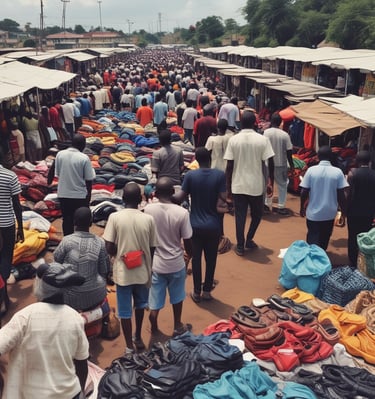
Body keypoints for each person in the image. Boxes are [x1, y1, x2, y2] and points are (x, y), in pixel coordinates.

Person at [0, 262, 89, 399]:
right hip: (69, 394)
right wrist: (81, 392)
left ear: (40, 286)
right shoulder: (75, 318)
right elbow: (82, 363)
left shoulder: (25, 317)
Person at [103, 182, 157, 354]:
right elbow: (152, 247)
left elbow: (109, 247)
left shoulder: (115, 217)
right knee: (140, 305)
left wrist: (121, 253)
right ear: (140, 199)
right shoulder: (148, 219)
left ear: (123, 198)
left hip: (123, 273)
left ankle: (128, 347)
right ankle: (138, 337)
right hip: (142, 271)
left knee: (125, 311)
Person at [173, 147, 226, 303]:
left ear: (196, 159)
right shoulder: (219, 175)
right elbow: (224, 198)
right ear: (210, 159)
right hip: (214, 225)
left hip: (194, 225)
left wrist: (165, 194)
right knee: (211, 259)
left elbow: (180, 197)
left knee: (196, 259)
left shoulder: (190, 175)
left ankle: (196, 292)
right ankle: (207, 291)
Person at [144, 177, 193, 336]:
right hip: (176, 262)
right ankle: (177, 325)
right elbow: (187, 240)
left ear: (156, 193)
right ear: (173, 192)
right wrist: (189, 255)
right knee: (177, 296)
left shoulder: (149, 209)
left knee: (156, 297)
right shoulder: (182, 213)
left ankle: (154, 322)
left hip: (157, 263)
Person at [224, 110, 275, 256]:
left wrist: (228, 188)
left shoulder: (233, 140)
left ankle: (240, 245)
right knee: (257, 215)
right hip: (256, 185)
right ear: (254, 123)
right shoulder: (262, 139)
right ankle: (249, 239)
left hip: (238, 185)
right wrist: (271, 180)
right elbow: (270, 161)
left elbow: (229, 166)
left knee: (240, 216)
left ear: (241, 122)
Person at [53, 207, 110, 311]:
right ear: (90, 223)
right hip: (96, 294)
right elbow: (104, 271)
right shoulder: (100, 243)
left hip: (70, 296)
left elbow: (56, 261)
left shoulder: (66, 241)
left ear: (74, 222)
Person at [300, 145, 348, 251]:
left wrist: (302, 207)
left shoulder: (311, 171)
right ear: (331, 156)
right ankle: (321, 257)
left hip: (313, 213)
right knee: (325, 238)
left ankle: (313, 261)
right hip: (330, 213)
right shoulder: (337, 172)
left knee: (312, 237)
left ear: (318, 157)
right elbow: (341, 195)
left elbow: (304, 191)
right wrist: (344, 213)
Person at [54, 134, 95, 236]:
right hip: (79, 196)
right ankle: (80, 242)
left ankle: (67, 241)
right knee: (81, 222)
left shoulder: (60, 154)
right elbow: (88, 180)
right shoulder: (84, 158)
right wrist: (88, 197)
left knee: (67, 219)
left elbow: (58, 174)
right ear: (82, 145)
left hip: (63, 194)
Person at [0, 148, 24, 317]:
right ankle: (3, 296)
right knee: (5, 257)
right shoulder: (10, 176)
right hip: (6, 224)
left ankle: (5, 296)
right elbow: (17, 205)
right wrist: (20, 227)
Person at [346, 150, 375, 266]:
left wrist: (344, 211)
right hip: (368, 212)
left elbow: (348, 194)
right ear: (369, 161)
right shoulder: (374, 174)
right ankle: (363, 263)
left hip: (353, 212)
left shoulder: (352, 173)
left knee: (352, 236)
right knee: (366, 237)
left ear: (357, 161)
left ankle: (352, 262)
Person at [263, 112, 294, 215]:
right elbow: (289, 151)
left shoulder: (266, 133)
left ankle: (267, 205)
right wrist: (292, 166)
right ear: (280, 122)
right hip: (281, 163)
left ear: (271, 121)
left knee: (268, 184)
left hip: (268, 163)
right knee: (282, 185)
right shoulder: (285, 135)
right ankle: (281, 206)